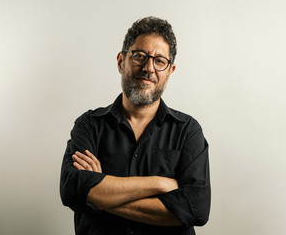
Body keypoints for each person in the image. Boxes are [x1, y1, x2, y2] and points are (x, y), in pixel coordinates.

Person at [60, 16, 211, 235]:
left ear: (170, 70)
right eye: (140, 56)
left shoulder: (187, 131)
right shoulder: (89, 125)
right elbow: (72, 189)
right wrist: (160, 184)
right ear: (121, 61)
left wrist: (102, 194)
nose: (149, 68)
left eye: (160, 60)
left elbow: (195, 209)